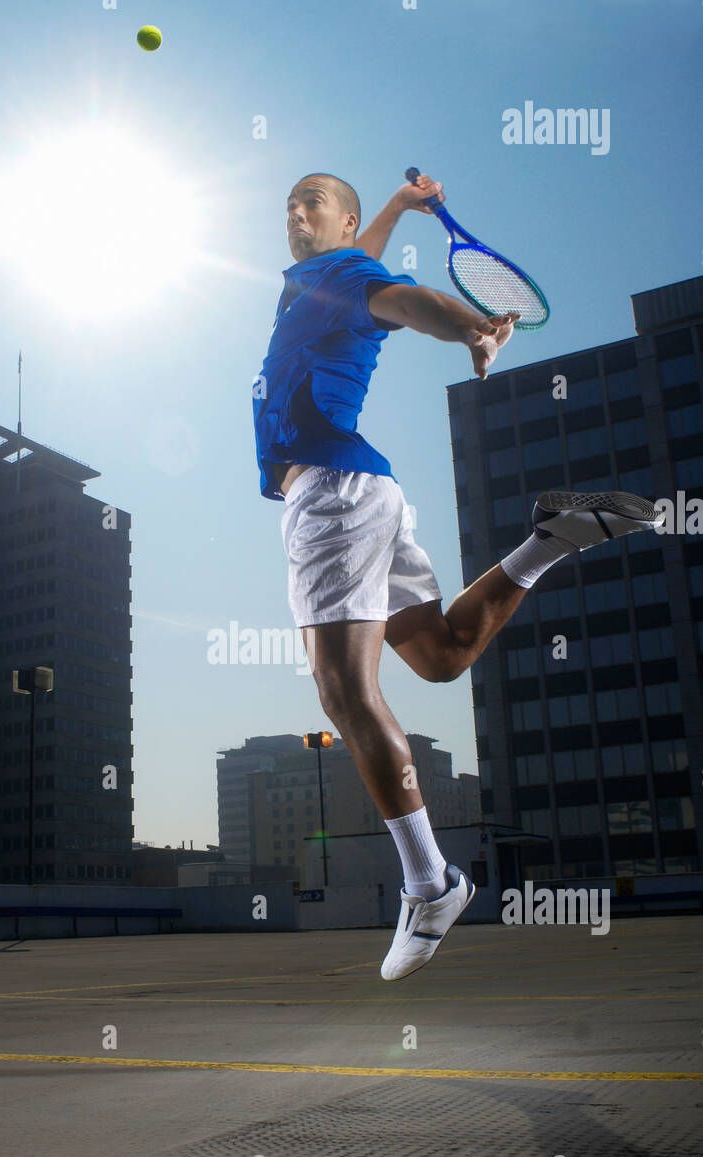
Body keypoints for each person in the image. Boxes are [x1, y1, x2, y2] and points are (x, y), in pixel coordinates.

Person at [252, 171, 662, 981]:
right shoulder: (317, 283)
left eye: (311, 205)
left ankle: (429, 883)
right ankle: (547, 541)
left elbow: (407, 299)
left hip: (329, 498)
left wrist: (472, 327)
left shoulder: (339, 277)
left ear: (340, 221)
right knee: (439, 657)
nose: (294, 215)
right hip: (366, 495)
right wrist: (401, 209)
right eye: (286, 207)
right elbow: (372, 270)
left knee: (344, 692)